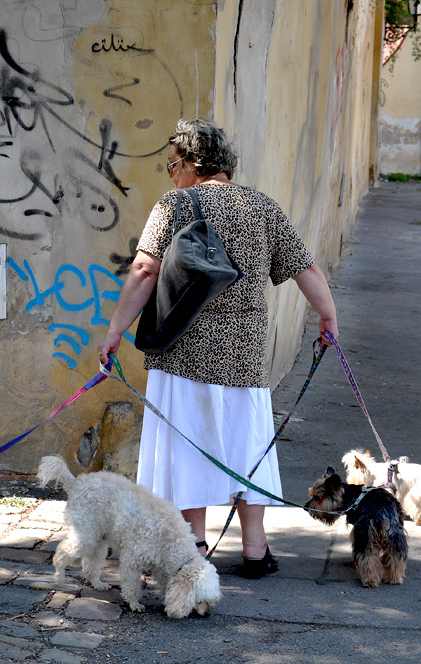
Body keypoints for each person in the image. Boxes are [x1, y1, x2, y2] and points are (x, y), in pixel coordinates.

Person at [97, 118, 338, 578]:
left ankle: (195, 548)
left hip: (181, 355)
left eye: (172, 165)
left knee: (187, 448)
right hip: (244, 358)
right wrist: (328, 317)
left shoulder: (174, 206)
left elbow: (145, 271)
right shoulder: (262, 208)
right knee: (246, 447)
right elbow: (305, 268)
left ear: (190, 162)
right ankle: (254, 549)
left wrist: (114, 331)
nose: (171, 174)